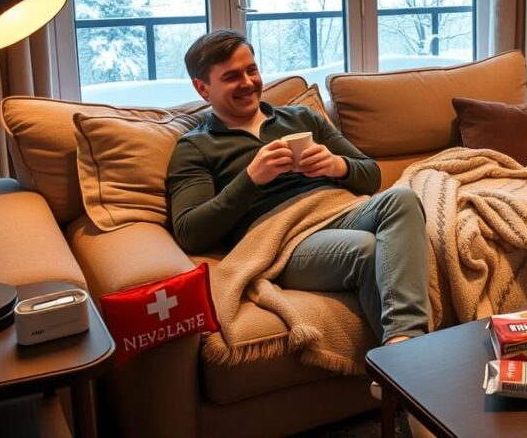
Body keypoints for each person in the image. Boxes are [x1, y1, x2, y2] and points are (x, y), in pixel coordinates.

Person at [166, 29, 429, 346]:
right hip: (281, 242)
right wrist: (250, 179)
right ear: (203, 88)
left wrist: (337, 165)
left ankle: (402, 347)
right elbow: (190, 232)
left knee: (402, 198)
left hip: (336, 210)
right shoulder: (195, 147)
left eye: (252, 70)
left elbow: (371, 175)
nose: (248, 83)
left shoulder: (302, 118)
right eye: (232, 77)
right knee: (366, 249)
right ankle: (412, 362)